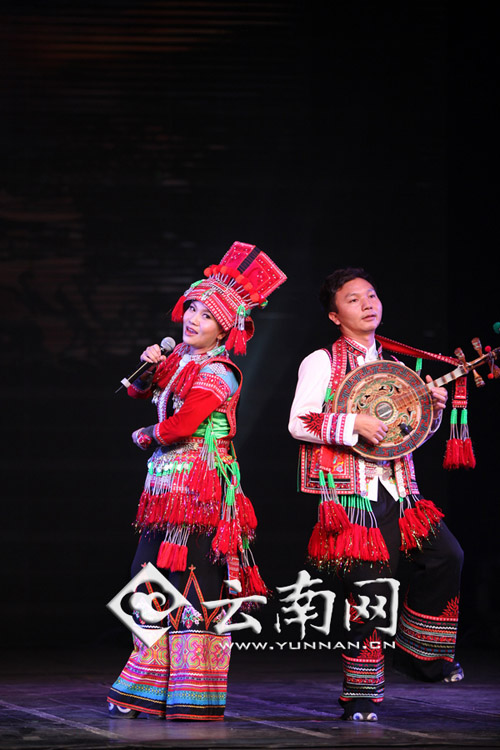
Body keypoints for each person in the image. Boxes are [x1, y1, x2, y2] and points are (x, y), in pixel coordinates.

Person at [108, 242, 286, 721]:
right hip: (169, 486)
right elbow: (140, 388)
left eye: (208, 316)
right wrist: (147, 366)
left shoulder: (218, 372)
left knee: (191, 584)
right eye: (193, 308)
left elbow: (184, 424)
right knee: (148, 579)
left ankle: (192, 694)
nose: (194, 319)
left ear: (225, 328)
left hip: (201, 486)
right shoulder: (183, 359)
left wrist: (149, 434)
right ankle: (147, 687)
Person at [288, 267, 464, 722]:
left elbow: (404, 439)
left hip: (399, 489)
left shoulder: (397, 368)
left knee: (447, 556)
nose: (368, 304)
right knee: (368, 592)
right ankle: (360, 694)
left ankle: (415, 653)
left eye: (371, 295)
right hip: (352, 494)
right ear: (334, 314)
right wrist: (353, 424)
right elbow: (299, 422)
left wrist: (433, 414)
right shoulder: (322, 362)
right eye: (353, 299)